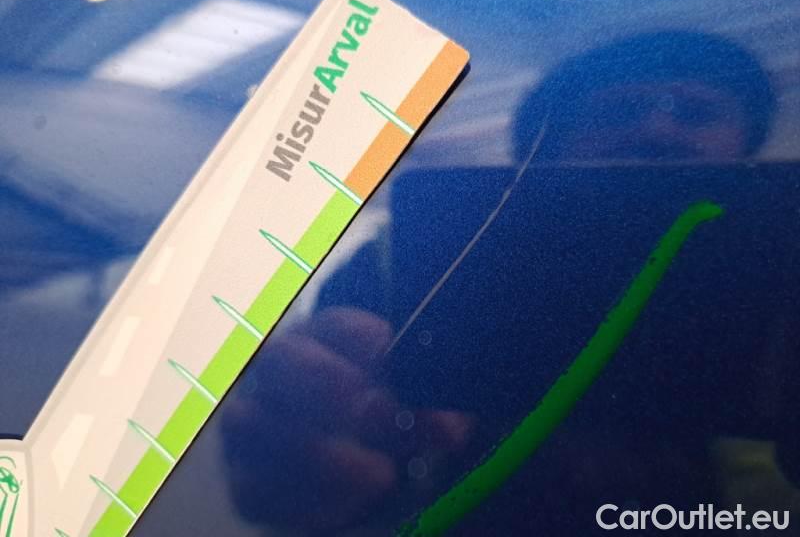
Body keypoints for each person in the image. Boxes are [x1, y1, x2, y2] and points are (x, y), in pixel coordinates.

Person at [222, 31, 796, 535]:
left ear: (747, 143)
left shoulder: (782, 270)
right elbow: (336, 431)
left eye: (697, 112)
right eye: (618, 111)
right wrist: (321, 453)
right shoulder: (411, 263)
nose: (658, 127)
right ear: (541, 146)